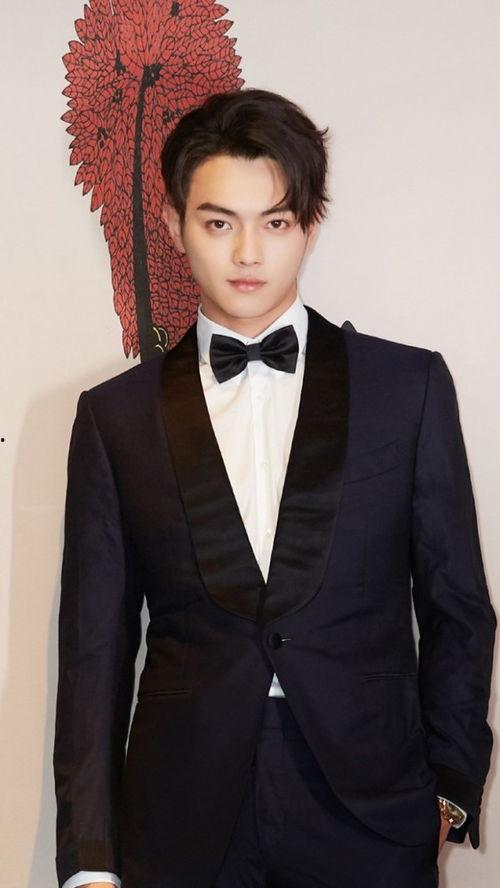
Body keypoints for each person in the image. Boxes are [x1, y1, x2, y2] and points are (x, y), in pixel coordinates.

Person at [53, 88, 496, 888]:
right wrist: (90, 859)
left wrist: (448, 789)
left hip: (371, 809)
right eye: (219, 223)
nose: (248, 254)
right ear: (174, 227)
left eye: (276, 223)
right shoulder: (115, 417)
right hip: (180, 816)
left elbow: (458, 606)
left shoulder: (407, 389)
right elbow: (93, 649)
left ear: (310, 227)